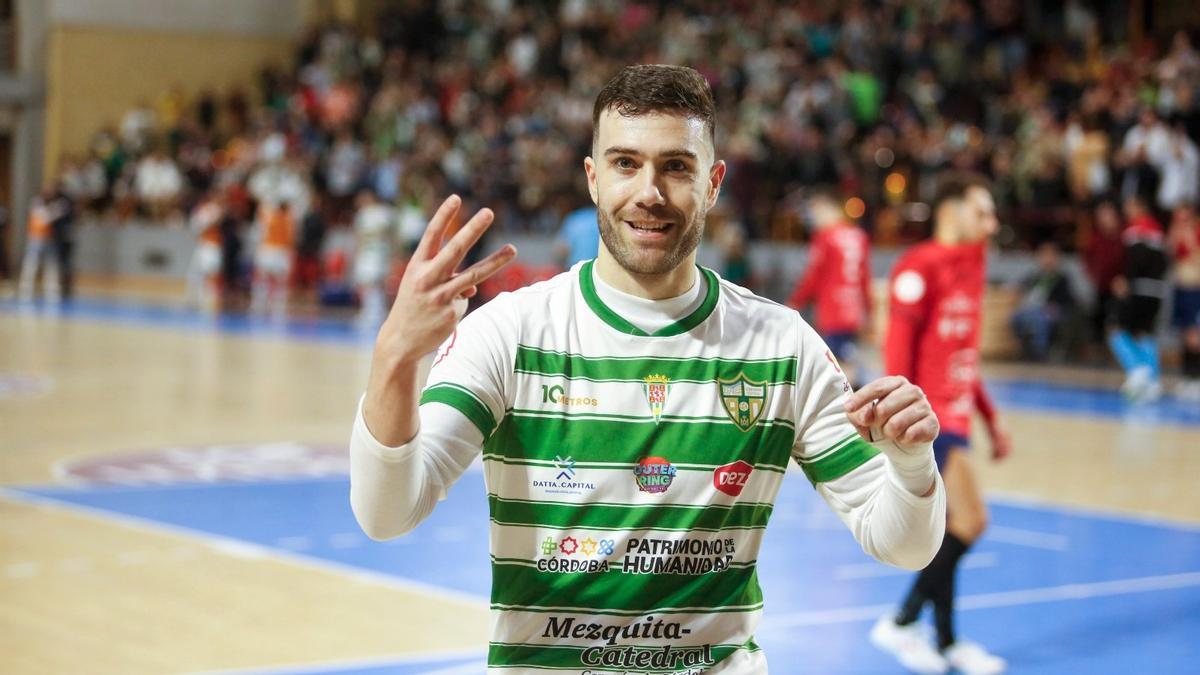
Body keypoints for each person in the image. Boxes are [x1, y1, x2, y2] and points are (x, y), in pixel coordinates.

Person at [349, 64, 947, 674]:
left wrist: (910, 461)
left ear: (713, 183)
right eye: (625, 163)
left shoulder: (780, 345)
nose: (649, 192)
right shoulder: (511, 332)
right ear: (592, 178)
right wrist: (394, 358)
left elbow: (903, 544)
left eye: (676, 166)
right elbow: (386, 513)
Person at [871, 172, 1012, 675]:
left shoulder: (973, 267)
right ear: (951, 213)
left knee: (956, 526)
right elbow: (896, 358)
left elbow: (963, 358)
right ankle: (904, 621)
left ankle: (944, 639)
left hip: (956, 418)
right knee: (971, 522)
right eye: (982, 212)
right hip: (926, 422)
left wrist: (992, 422)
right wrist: (899, 427)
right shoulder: (919, 266)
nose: (992, 224)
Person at [787, 191, 873, 387]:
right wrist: (869, 310)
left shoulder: (826, 237)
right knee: (847, 358)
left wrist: (795, 301)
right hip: (854, 309)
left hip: (833, 309)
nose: (813, 220)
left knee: (836, 365)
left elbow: (814, 274)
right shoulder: (858, 236)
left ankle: (846, 409)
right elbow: (864, 277)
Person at [1108, 194, 1169, 401]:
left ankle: (1137, 370)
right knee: (1145, 332)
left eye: (1129, 206)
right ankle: (1152, 380)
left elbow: (1135, 260)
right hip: (1157, 289)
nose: (1126, 210)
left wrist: (1126, 279)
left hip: (1138, 287)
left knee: (1117, 328)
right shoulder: (1158, 231)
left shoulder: (1135, 230)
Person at [1010, 242, 1077, 362]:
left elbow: (1067, 299)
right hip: (1032, 309)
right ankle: (1024, 350)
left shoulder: (1061, 278)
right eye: (1043, 256)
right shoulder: (1035, 276)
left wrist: (1054, 306)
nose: (1046, 259)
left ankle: (1039, 352)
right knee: (1016, 317)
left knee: (1040, 320)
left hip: (1052, 310)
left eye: (1050, 256)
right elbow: (1022, 287)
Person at [1168, 204, 1200, 400]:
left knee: (1194, 337)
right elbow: (1171, 254)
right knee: (1183, 333)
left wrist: (1188, 238)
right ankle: (1187, 377)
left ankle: (1197, 378)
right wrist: (1174, 233)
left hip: (1195, 289)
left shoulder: (1196, 232)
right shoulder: (1176, 232)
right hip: (1181, 288)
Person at [251, 201, 296, 317]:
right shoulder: (288, 220)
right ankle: (276, 305)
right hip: (277, 250)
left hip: (270, 249)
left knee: (265, 278)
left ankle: (260, 303)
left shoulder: (270, 216)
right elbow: (291, 238)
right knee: (278, 280)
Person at [17, 190, 62, 303]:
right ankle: (25, 289)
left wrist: (55, 210)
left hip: (48, 240)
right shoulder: (37, 206)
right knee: (31, 265)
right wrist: (55, 211)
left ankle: (52, 289)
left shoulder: (51, 207)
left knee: (51, 265)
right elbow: (45, 219)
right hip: (35, 240)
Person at [552, 203, 600, 270]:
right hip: (598, 270)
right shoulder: (602, 220)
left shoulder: (574, 218)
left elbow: (561, 250)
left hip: (574, 268)